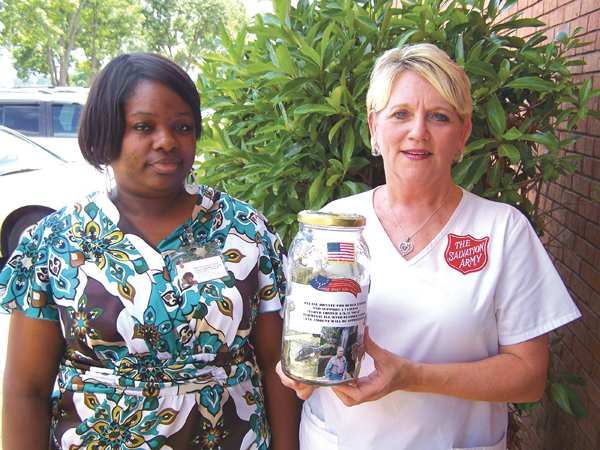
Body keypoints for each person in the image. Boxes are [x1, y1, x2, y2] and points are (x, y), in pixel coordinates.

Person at [276, 43, 581, 449]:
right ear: (374, 127)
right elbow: (308, 331)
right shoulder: (336, 227)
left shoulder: (503, 230)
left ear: (463, 133)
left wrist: (414, 377)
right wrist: (298, 367)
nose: (418, 131)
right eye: (401, 114)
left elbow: (529, 377)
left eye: (439, 116)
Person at [1, 52, 301, 450]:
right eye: (143, 126)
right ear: (106, 133)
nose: (167, 141)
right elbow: (26, 390)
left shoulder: (246, 231)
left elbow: (275, 366)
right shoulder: (56, 240)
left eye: (182, 127)